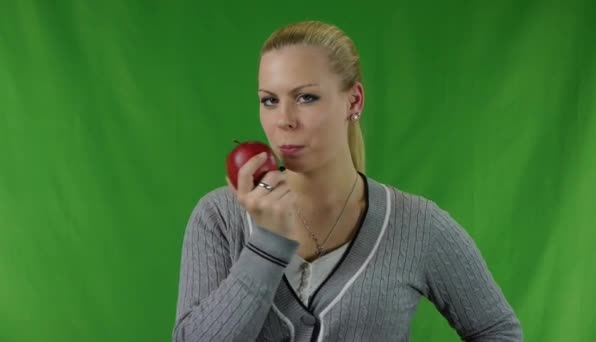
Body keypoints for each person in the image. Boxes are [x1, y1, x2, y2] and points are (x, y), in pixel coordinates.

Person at [172, 20, 523, 342]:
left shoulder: (417, 225)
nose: (284, 120)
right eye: (270, 100)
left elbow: (498, 332)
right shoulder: (219, 217)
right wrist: (266, 245)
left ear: (353, 100)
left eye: (306, 97)